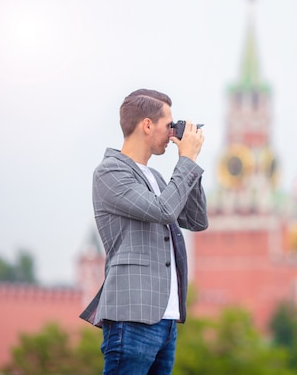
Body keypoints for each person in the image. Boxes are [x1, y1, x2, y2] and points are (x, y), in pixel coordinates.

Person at [80, 88, 208, 375]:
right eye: (169, 125)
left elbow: (197, 220)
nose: (172, 132)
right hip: (132, 314)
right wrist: (185, 162)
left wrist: (191, 163)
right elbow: (164, 210)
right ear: (147, 125)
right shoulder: (110, 172)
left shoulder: (159, 178)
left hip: (166, 319)